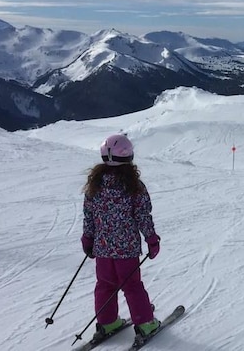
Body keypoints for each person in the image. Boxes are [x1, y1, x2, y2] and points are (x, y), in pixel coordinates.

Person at [81, 134, 162, 340]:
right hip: (126, 250)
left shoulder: (95, 184)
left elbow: (89, 214)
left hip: (102, 249)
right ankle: (145, 323)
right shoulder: (134, 186)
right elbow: (143, 215)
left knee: (105, 284)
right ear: (128, 157)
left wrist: (88, 239)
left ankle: (107, 323)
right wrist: (151, 240)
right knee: (132, 286)